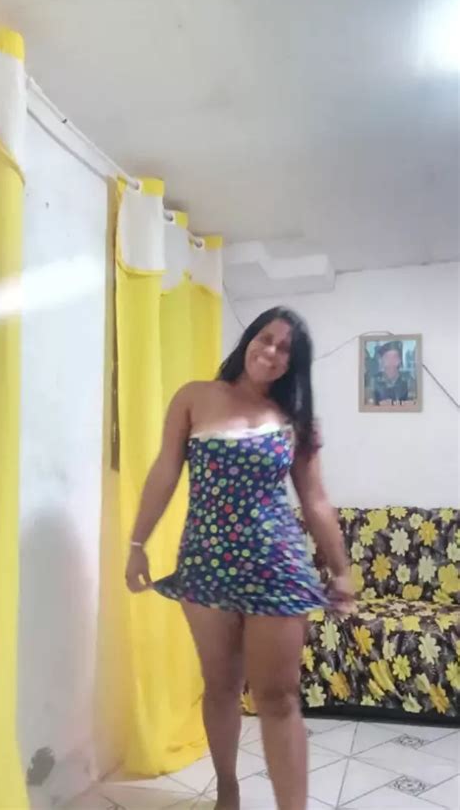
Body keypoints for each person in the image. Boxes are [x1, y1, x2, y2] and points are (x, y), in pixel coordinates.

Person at [125, 307, 353, 810]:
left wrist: (341, 570)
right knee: (221, 686)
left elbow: (315, 500)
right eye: (265, 338)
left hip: (277, 567)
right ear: (249, 338)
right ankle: (227, 788)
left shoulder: (296, 420)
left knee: (279, 697)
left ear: (293, 364)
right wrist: (137, 545)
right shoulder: (194, 397)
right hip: (206, 565)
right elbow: (165, 473)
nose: (270, 352)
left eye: (284, 349)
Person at [371, 340, 416, 406]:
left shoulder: (408, 380)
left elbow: (413, 404)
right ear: (381, 360)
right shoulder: (373, 381)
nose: (391, 361)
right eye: (387, 357)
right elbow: (368, 404)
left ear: (400, 360)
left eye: (395, 357)